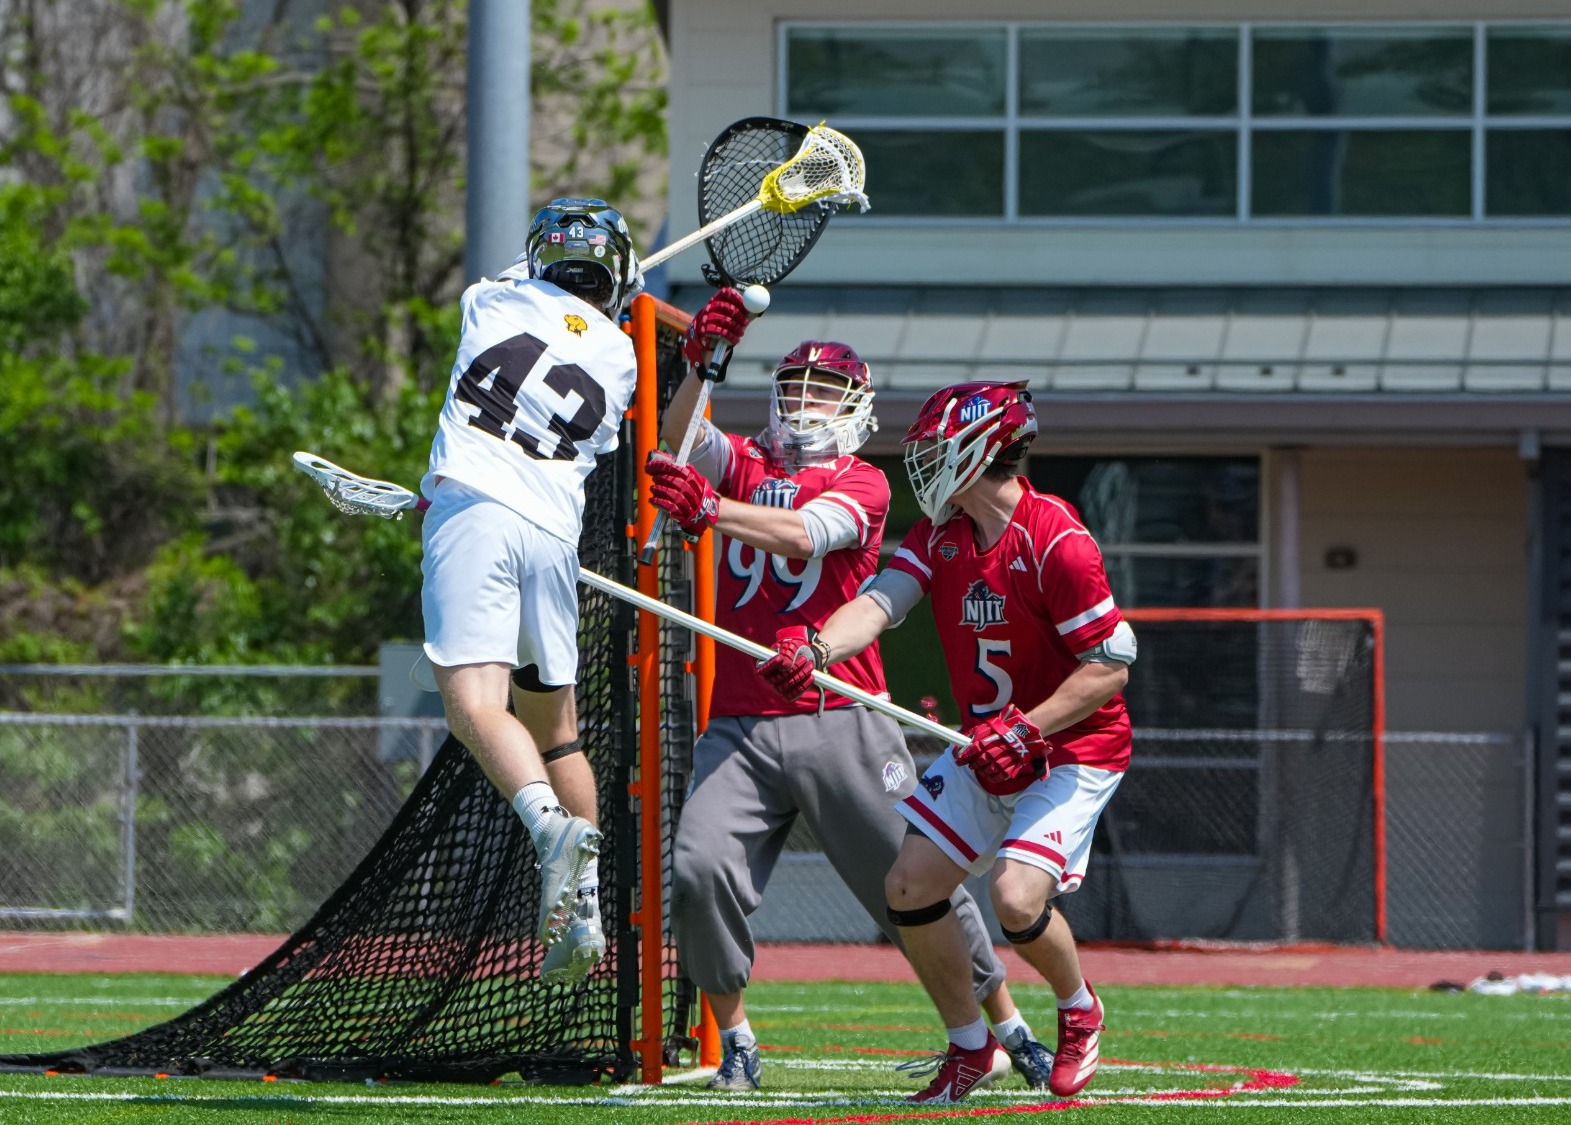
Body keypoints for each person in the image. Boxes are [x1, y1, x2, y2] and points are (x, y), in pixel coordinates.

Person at [647, 344, 1055, 1094]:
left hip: (843, 715)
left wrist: (711, 511)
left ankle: (1005, 1023)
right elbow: (679, 439)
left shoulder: (862, 479)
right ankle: (734, 1037)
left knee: (916, 882)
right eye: (795, 387)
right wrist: (701, 363)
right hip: (740, 717)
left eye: (825, 390)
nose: (805, 403)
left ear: (857, 406)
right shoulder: (741, 461)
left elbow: (805, 534)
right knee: (698, 869)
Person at [757, 381, 1137, 1105]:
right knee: (910, 884)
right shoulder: (942, 532)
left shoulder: (1057, 538)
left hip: (1069, 750)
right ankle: (970, 1045)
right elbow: (877, 603)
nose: (924, 463)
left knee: (1016, 897)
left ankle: (1079, 1007)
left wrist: (1026, 726)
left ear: (982, 448)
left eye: (936, 448)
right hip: (987, 747)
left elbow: (1108, 671)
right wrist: (816, 647)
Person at [420, 198, 729, 985]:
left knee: (473, 703)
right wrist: (698, 361)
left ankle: (548, 828)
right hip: (551, 538)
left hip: (479, 509)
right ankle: (583, 906)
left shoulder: (488, 300)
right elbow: (659, 439)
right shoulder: (621, 358)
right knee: (557, 734)